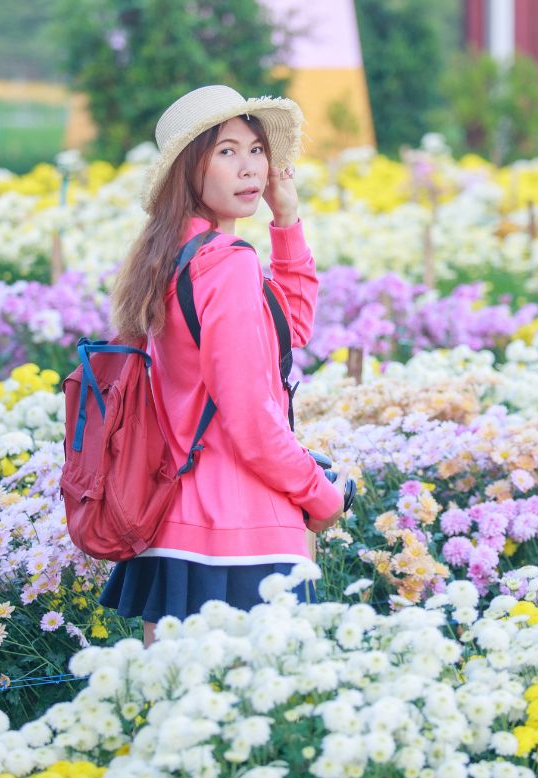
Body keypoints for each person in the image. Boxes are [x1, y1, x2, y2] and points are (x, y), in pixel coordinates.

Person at [99, 85, 344, 645]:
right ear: (190, 168)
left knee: (169, 713)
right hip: (241, 528)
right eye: (227, 151)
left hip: (173, 520)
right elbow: (251, 423)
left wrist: (286, 221)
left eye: (256, 150)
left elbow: (289, 331)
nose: (250, 167)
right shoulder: (227, 265)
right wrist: (321, 495)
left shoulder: (169, 256)